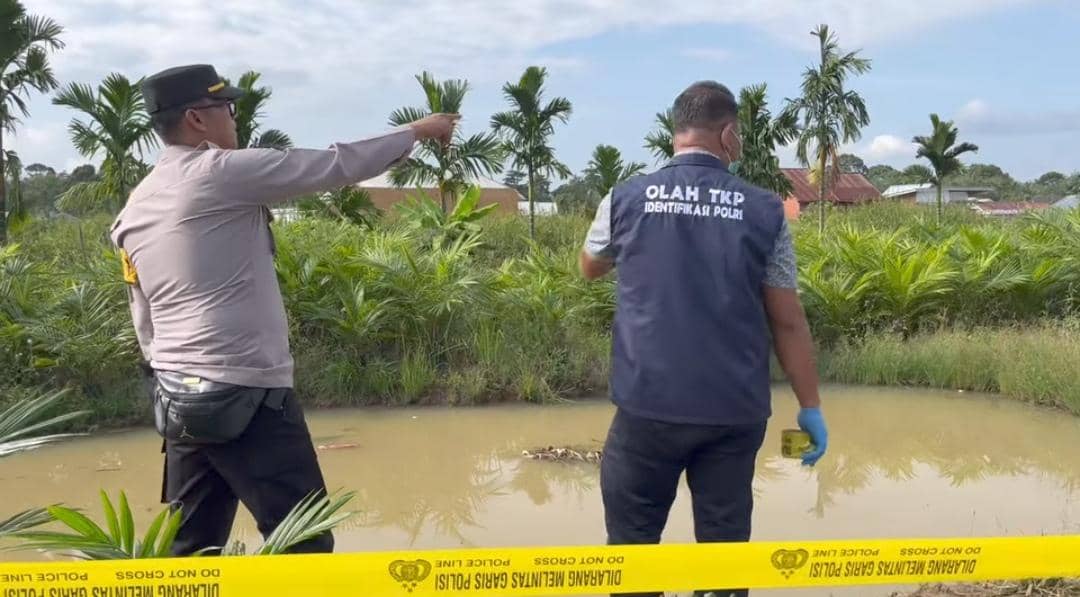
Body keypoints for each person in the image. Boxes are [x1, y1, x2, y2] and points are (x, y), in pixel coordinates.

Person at [110, 64, 458, 556]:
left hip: (178, 396)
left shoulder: (136, 205)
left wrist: (168, 370)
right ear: (196, 119)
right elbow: (332, 165)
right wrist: (417, 131)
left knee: (191, 549)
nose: (235, 118)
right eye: (227, 107)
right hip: (244, 392)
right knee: (305, 542)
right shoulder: (219, 172)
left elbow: (141, 314)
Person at [578, 81, 828, 597]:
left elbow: (590, 266)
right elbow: (787, 321)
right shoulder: (765, 211)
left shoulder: (624, 197)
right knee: (724, 557)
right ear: (729, 134)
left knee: (633, 555)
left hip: (647, 409)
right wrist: (810, 407)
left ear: (676, 131)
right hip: (732, 414)